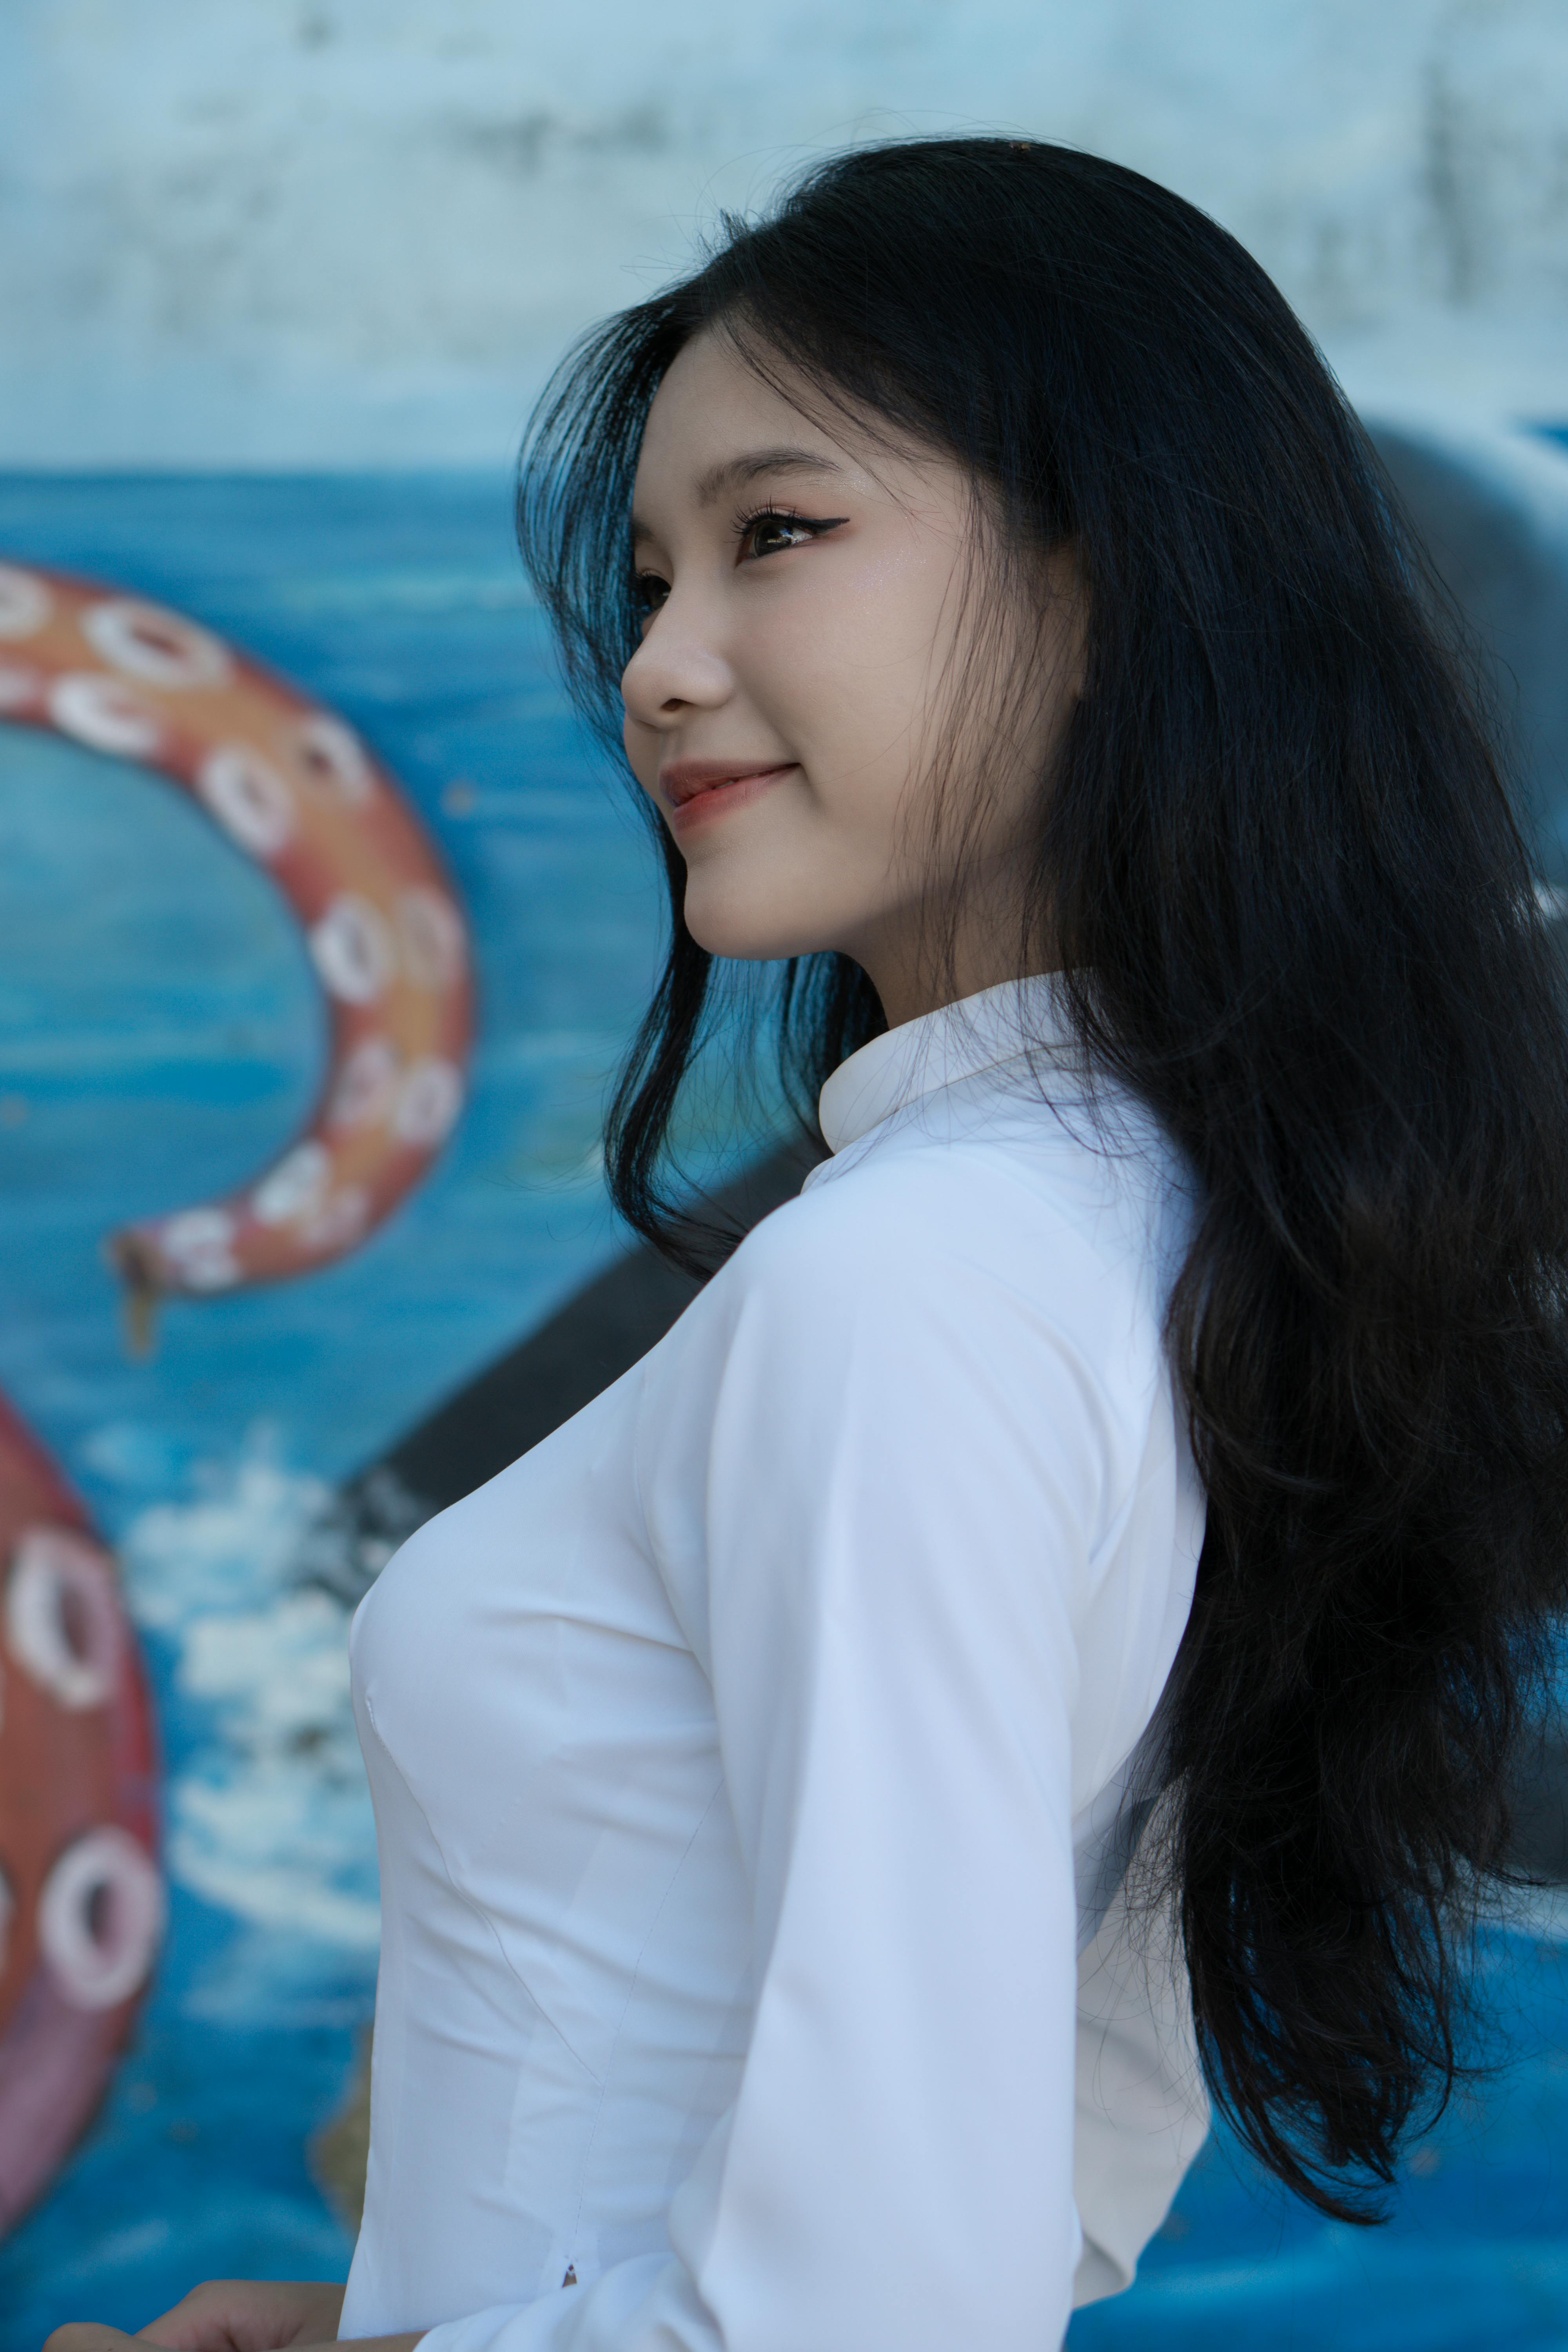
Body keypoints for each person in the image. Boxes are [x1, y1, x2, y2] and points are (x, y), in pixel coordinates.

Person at [51, 135, 1568, 2352]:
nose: (663, 664)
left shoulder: (915, 1284)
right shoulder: (1197, 1246)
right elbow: (1050, 2161)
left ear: (1108, 591)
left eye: (778, 537)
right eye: (652, 579)